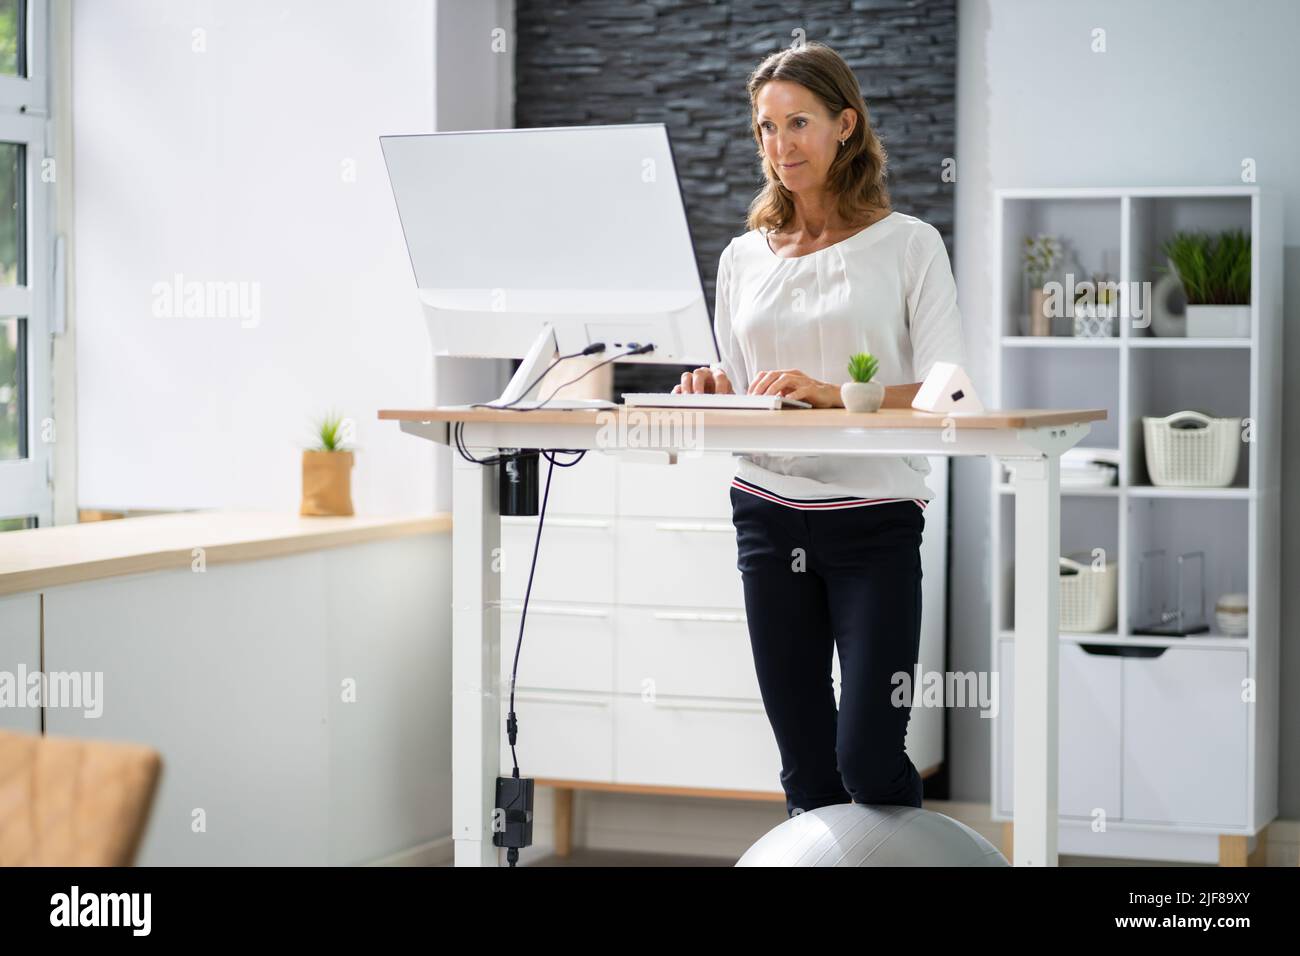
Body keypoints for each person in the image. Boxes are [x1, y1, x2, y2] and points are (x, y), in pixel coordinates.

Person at [672, 41, 966, 816]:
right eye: (765, 129)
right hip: (766, 514)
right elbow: (742, 385)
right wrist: (711, 388)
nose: (780, 145)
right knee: (807, 773)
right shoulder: (742, 257)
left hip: (873, 520)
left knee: (867, 762)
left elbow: (950, 390)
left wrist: (837, 394)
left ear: (845, 124)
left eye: (798, 122)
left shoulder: (908, 244)